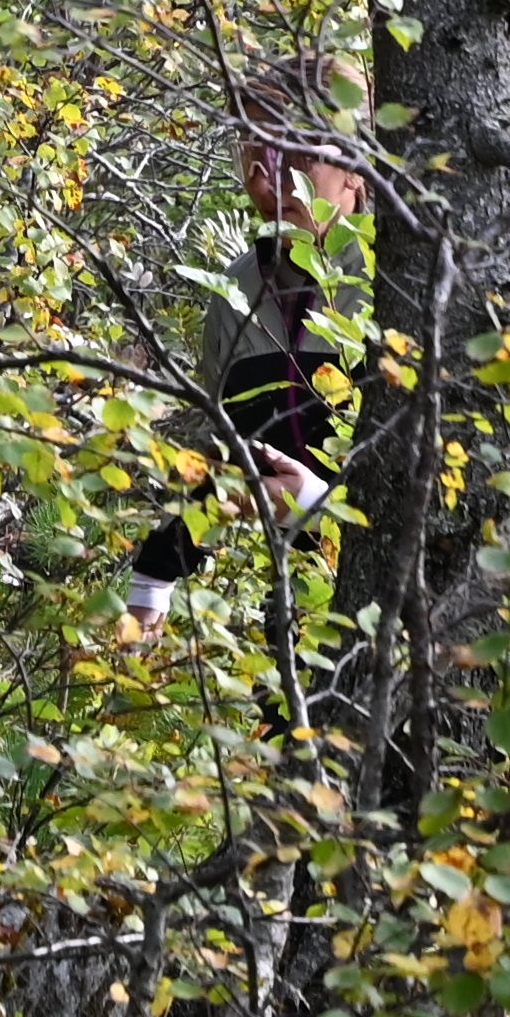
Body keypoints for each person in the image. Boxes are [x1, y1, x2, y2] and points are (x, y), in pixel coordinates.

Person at [120, 57, 368, 634]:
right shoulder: (233, 296)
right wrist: (152, 583)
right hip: (286, 625)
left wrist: (317, 506)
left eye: (290, 153)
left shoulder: (403, 291)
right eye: (251, 155)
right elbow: (231, 474)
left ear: (355, 164)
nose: (264, 179)